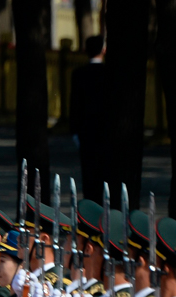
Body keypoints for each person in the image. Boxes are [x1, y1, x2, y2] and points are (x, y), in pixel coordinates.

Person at [69, 36, 107, 203]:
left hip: (85, 131)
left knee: (88, 172)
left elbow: (74, 104)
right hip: (105, 130)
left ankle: (88, 207)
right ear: (103, 50)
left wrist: (75, 131)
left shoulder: (79, 74)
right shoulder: (108, 73)